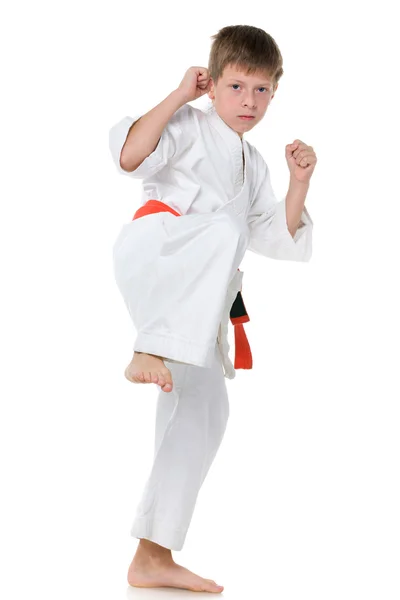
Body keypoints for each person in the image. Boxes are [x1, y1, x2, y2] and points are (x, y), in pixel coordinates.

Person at [108, 24, 317, 594]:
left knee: (203, 415)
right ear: (213, 82)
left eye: (262, 90)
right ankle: (147, 346)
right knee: (225, 229)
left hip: (196, 307)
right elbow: (130, 155)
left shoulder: (253, 165)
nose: (249, 102)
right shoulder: (189, 124)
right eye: (236, 87)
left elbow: (276, 235)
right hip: (158, 259)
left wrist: (299, 182)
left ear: (275, 91)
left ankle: (152, 554)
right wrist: (179, 94)